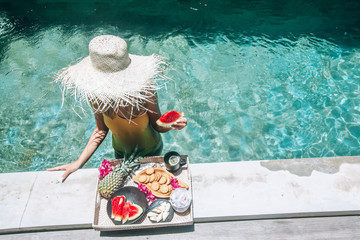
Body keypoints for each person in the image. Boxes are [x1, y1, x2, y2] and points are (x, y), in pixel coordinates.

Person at [47, 35, 187, 182]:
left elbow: (157, 125)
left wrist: (172, 124)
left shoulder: (145, 90)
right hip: (120, 153)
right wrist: (78, 163)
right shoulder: (97, 95)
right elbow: (101, 130)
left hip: (151, 150)